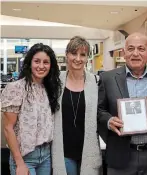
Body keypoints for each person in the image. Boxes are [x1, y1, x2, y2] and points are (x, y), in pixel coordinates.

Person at [97, 32, 147, 175]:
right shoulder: (108, 78)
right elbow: (98, 110)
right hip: (120, 155)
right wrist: (108, 120)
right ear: (123, 52)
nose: (135, 53)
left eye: (141, 49)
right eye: (130, 49)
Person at [1, 43, 62, 175]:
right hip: (24, 156)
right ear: (29, 63)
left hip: (46, 156)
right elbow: (8, 128)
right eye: (37, 61)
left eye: (46, 62)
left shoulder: (49, 89)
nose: (41, 66)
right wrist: (19, 163)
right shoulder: (15, 88)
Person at [51, 36, 102, 175]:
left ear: (87, 58)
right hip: (64, 151)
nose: (78, 59)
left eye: (83, 55)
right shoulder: (56, 82)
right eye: (74, 53)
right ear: (67, 54)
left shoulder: (96, 82)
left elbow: (101, 113)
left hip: (88, 150)